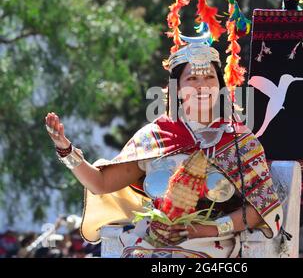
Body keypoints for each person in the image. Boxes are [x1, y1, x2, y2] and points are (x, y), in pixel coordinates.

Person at [44, 36, 284, 258]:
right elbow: (100, 183)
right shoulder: (155, 137)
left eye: (209, 77)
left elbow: (260, 208)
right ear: (177, 88)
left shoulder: (240, 141)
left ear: (220, 85)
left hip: (213, 243)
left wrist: (207, 230)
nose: (202, 85)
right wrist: (65, 149)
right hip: (153, 239)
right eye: (192, 78)